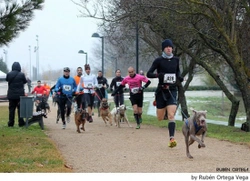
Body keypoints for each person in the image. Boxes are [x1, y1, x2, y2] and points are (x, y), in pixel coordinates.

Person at [146, 38, 184, 148]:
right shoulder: (158, 60)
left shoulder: (176, 60)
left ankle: (172, 139)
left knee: (172, 115)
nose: (169, 48)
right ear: (163, 49)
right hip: (161, 91)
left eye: (170, 47)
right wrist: (158, 75)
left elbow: (177, 72)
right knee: (160, 117)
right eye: (167, 47)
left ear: (172, 48)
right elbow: (149, 73)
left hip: (172, 90)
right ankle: (161, 107)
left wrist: (180, 78)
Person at [5, 62, 27, 127]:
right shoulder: (22, 74)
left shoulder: (9, 74)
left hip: (11, 95)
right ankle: (21, 122)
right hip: (20, 95)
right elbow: (25, 81)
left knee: (11, 109)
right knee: (20, 109)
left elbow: (7, 80)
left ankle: (11, 123)